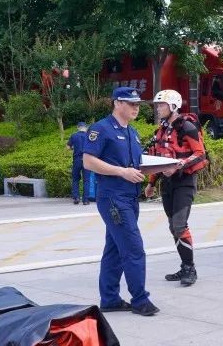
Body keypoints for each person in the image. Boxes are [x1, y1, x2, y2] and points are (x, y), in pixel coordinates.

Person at [82, 87, 158, 316]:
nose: (136, 108)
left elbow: (135, 165)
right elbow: (88, 161)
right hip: (113, 198)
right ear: (117, 103)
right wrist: (121, 172)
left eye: (138, 104)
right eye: (131, 103)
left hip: (130, 197)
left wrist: (159, 171)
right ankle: (140, 300)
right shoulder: (101, 129)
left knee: (114, 249)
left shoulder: (132, 132)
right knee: (134, 248)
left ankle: (110, 299)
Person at [144, 89, 208, 287]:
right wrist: (151, 183)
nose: (158, 109)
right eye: (157, 105)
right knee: (173, 227)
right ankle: (184, 266)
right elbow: (157, 159)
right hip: (167, 183)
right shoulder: (161, 130)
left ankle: (190, 269)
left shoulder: (187, 126)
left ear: (173, 106)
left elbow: (200, 153)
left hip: (184, 181)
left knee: (179, 225)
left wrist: (179, 166)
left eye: (161, 105)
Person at [67, 121, 91, 205]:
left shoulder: (73, 135)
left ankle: (76, 197)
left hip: (77, 160)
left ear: (78, 127)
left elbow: (68, 147)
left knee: (75, 179)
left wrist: (73, 148)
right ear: (86, 128)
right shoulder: (89, 136)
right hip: (87, 160)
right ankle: (85, 200)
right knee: (86, 180)